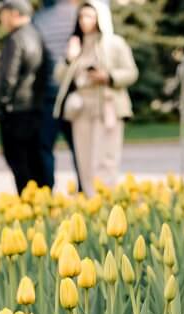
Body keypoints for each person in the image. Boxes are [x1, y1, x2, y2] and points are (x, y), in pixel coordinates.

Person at [53, 1, 137, 196]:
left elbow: (131, 72)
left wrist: (108, 76)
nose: (85, 21)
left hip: (107, 107)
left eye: (90, 16)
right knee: (84, 158)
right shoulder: (76, 45)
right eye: (81, 16)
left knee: (105, 158)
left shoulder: (114, 43)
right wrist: (69, 58)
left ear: (100, 18)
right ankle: (90, 199)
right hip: (82, 110)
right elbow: (59, 76)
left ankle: (105, 200)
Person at [0, 0, 48, 192]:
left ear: (14, 14)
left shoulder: (15, 39)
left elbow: (8, 78)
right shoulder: (36, 34)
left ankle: (26, 202)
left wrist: (0, 106)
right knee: (34, 164)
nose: (0, 18)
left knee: (20, 165)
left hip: (15, 111)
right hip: (34, 108)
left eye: (3, 13)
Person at [33, 0, 81, 189]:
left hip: (49, 94)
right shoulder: (78, 14)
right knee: (80, 148)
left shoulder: (39, 19)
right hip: (75, 94)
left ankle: (46, 191)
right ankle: (85, 190)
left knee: (44, 147)